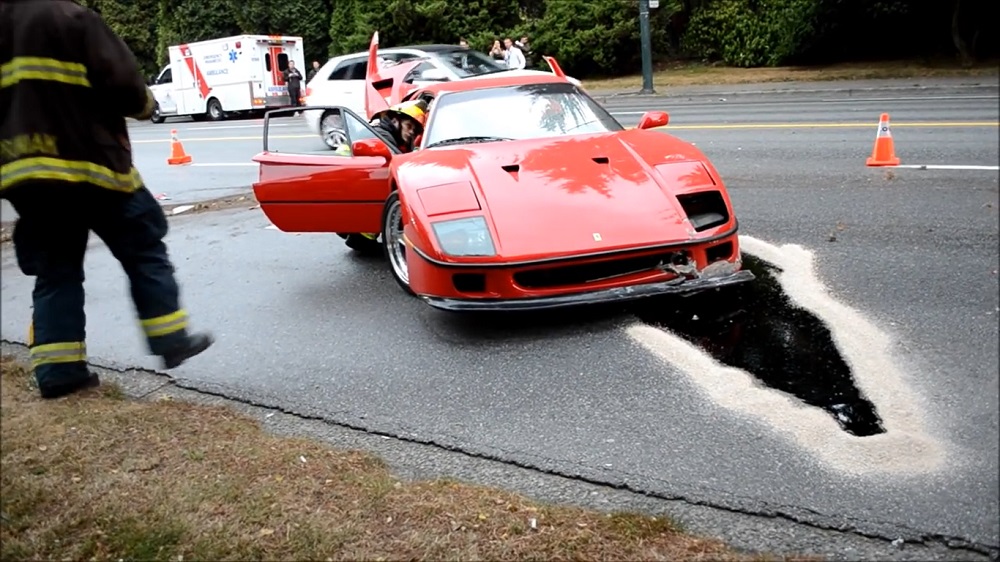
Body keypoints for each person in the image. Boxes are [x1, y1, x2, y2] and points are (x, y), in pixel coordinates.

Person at [1, 0, 214, 399]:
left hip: (25, 175)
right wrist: (148, 105)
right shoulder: (70, 16)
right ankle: (170, 340)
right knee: (143, 247)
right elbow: (123, 83)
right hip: (93, 165)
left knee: (56, 271)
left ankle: (59, 374)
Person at [345, 100, 429, 252]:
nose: (411, 133)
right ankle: (362, 237)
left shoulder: (387, 134)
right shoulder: (381, 136)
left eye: (415, 131)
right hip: (351, 182)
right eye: (409, 126)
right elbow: (394, 162)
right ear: (395, 121)